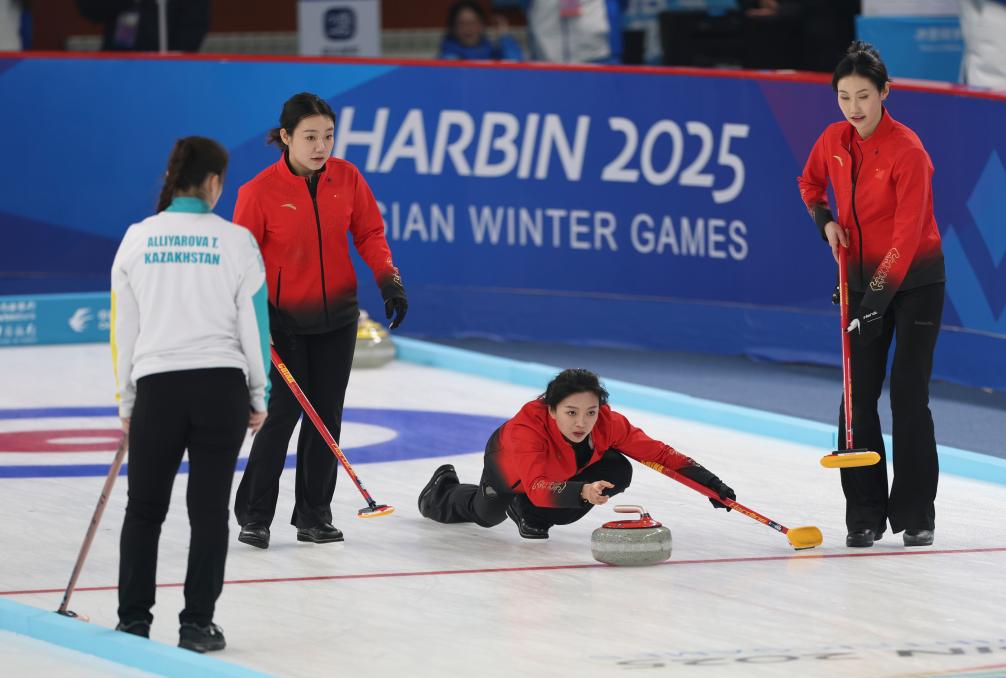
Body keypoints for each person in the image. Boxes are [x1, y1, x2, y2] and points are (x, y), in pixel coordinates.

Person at [111, 136, 270, 652]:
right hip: (220, 389)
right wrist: (258, 393)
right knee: (208, 511)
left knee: (144, 508)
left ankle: (133, 621)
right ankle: (197, 625)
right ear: (214, 182)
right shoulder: (237, 242)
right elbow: (254, 327)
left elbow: (123, 331)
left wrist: (127, 400)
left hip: (158, 388)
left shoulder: (137, 238)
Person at [234, 92, 407, 550]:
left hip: (338, 318)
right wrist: (255, 320)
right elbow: (240, 263)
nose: (321, 146)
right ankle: (255, 516)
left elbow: (369, 233)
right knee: (282, 415)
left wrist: (389, 281)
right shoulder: (257, 192)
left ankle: (314, 516)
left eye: (328, 136)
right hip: (282, 323)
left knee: (326, 417)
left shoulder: (346, 178)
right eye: (310, 136)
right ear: (286, 137)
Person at [797, 42, 945, 549]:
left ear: (885, 92)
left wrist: (872, 305)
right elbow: (809, 184)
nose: (854, 107)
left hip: (916, 282)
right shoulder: (833, 140)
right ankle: (863, 515)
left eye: (863, 95)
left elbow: (906, 239)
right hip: (859, 280)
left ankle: (916, 514)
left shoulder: (908, 151)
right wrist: (825, 222)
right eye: (844, 97)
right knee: (856, 399)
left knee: (908, 394)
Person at [418, 368, 735, 538]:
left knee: (618, 469)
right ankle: (441, 491)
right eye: (571, 412)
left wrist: (710, 484)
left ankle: (529, 514)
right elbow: (537, 487)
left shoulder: (609, 423)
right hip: (510, 470)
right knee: (487, 516)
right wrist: (583, 491)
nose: (582, 423)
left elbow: (660, 455)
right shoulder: (525, 431)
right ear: (551, 409)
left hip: (560, 474)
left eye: (591, 412)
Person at [75, 0, 211, 52]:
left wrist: (176, 57)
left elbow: (196, 23)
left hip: (171, 68)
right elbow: (89, 8)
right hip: (120, 66)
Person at [438, 0, 523, 61]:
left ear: (482, 26)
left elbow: (516, 63)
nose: (468, 29)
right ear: (454, 28)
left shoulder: (493, 54)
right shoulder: (447, 58)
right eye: (462, 24)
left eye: (473, 23)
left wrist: (505, 37)